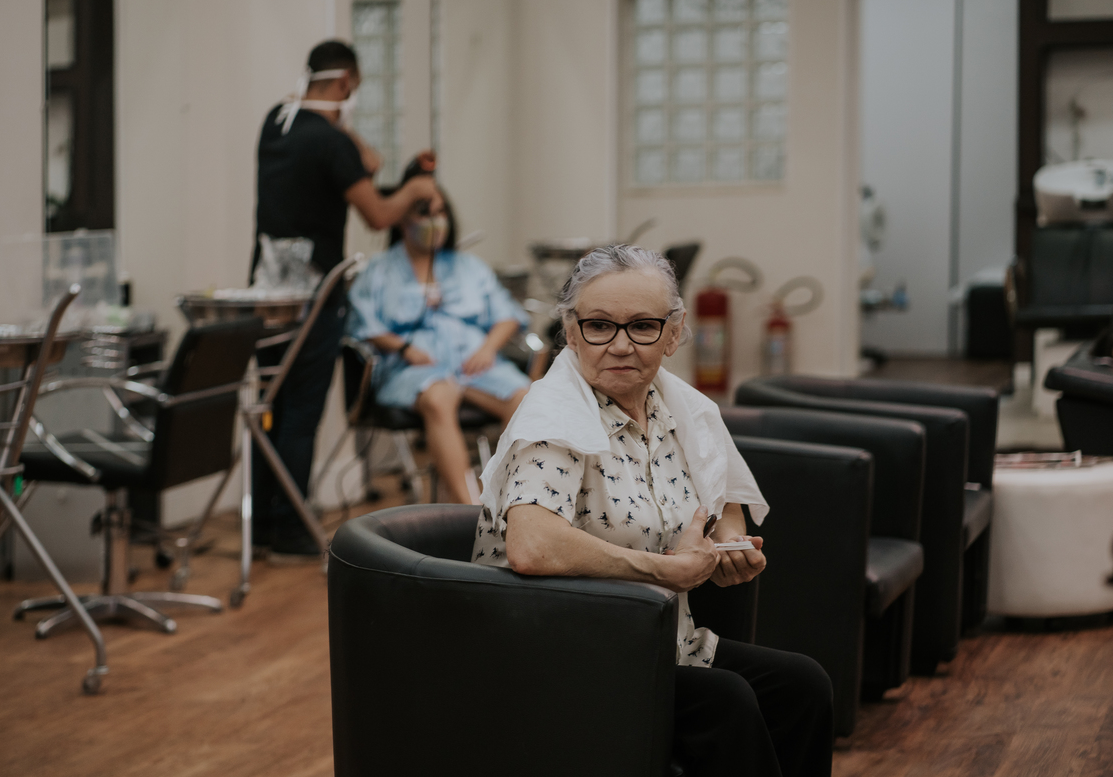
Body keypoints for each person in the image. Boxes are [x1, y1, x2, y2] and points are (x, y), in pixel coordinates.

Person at [471, 245, 833, 776]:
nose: (620, 345)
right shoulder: (554, 420)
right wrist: (663, 571)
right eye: (598, 326)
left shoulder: (675, 407)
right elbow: (531, 544)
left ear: (673, 332)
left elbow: (722, 490)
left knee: (803, 686)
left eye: (642, 326)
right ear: (570, 332)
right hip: (570, 658)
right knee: (726, 702)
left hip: (665, 645)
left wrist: (726, 541)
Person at [252, 40, 438, 557]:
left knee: (268, 406)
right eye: (352, 90)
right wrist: (417, 191)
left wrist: (344, 130)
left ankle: (262, 523)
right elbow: (378, 213)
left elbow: (367, 162)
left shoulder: (277, 122)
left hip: (265, 294)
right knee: (300, 412)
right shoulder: (329, 145)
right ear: (344, 85)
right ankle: (290, 529)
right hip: (316, 295)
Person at [348, 157, 531, 504]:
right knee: (439, 396)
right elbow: (363, 324)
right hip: (415, 367)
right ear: (403, 221)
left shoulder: (469, 267)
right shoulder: (380, 271)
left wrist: (488, 348)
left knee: (525, 397)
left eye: (441, 212)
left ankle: (514, 500)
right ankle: (470, 511)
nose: (436, 222)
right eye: (425, 214)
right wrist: (402, 349)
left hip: (473, 363)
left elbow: (507, 315)